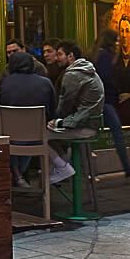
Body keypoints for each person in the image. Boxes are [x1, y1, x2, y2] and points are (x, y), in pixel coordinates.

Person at [93, 30, 130, 183]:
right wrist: (117, 92)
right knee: (117, 133)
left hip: (102, 101)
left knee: (93, 135)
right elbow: (105, 78)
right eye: (117, 40)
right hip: (106, 101)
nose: (119, 43)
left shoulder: (97, 54)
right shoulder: (105, 56)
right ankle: (128, 171)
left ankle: (88, 172)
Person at [0, 51, 57, 188]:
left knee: (14, 137)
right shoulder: (45, 83)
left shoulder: (3, 84)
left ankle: (16, 175)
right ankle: (19, 175)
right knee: (29, 136)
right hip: (36, 138)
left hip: (8, 137)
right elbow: (53, 111)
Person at [46, 41, 105, 185]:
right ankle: (64, 166)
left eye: (60, 54)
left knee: (40, 136)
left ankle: (62, 168)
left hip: (84, 126)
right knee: (53, 135)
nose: (57, 58)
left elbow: (64, 106)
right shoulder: (87, 70)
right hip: (91, 123)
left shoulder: (73, 74)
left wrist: (57, 121)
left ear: (70, 56)